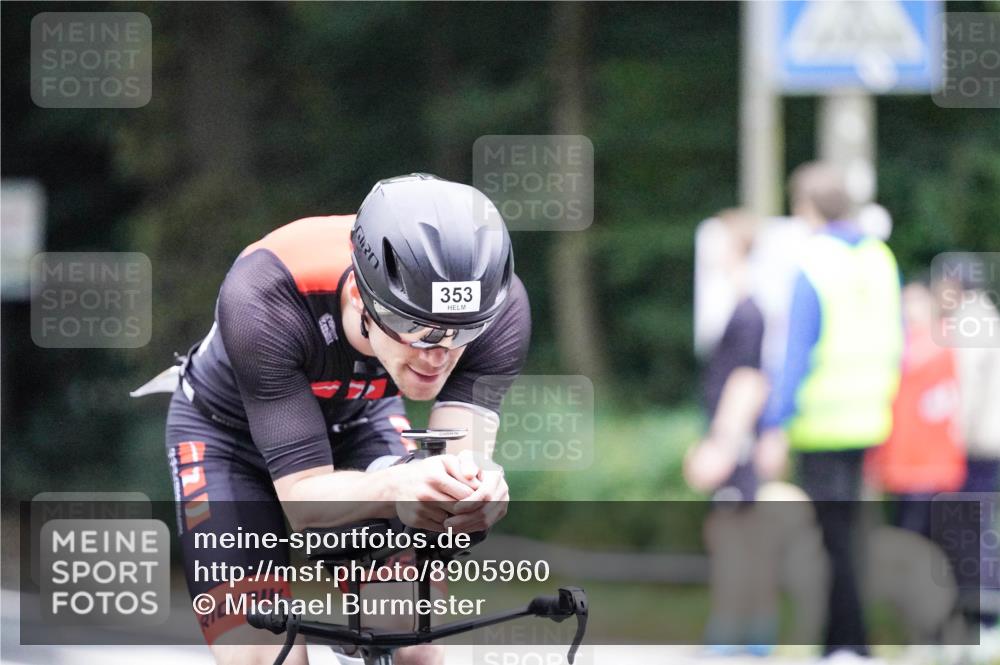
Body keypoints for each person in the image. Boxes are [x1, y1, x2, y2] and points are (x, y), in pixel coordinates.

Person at [160, 174, 529, 665]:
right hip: (226, 439)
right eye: (415, 329)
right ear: (360, 297)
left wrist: (472, 501)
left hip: (361, 422)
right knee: (263, 655)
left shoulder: (499, 309)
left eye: (462, 334)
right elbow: (304, 504)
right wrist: (398, 486)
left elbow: (460, 466)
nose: (438, 354)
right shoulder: (266, 295)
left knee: (411, 641)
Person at [758, 162, 904, 662]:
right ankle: (848, 640)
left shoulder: (814, 261)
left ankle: (845, 644)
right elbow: (895, 336)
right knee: (851, 535)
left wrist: (775, 423)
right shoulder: (879, 257)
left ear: (806, 207)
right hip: (870, 417)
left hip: (821, 423)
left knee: (831, 541)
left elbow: (795, 351)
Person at [684, 209, 778, 655]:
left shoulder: (749, 312)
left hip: (735, 441)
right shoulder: (742, 307)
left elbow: (749, 380)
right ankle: (750, 630)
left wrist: (722, 443)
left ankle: (738, 632)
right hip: (736, 438)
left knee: (733, 536)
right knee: (736, 535)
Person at [865, 279, 966, 537]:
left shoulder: (924, 347)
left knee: (917, 539)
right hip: (910, 464)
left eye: (917, 301)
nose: (910, 309)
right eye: (906, 301)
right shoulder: (923, 344)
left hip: (927, 465)